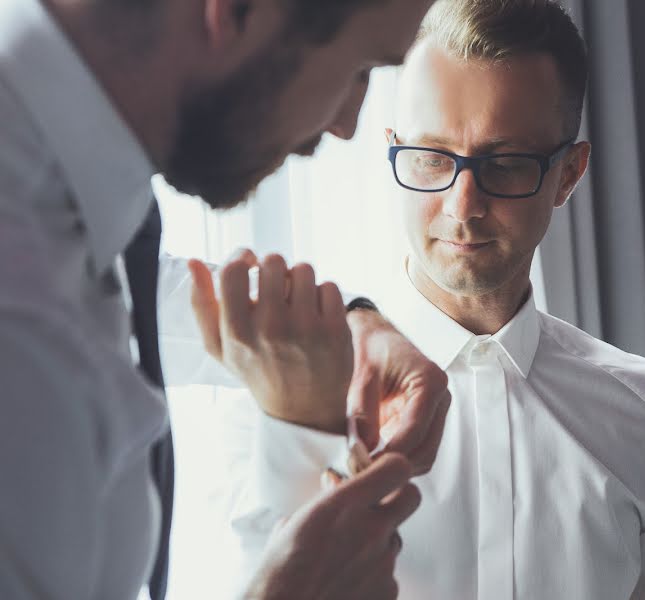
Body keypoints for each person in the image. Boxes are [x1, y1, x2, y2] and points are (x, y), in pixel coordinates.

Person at [187, 1, 645, 598]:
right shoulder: (273, 404)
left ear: (568, 174)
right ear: (393, 147)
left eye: (504, 164)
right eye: (431, 157)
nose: (462, 206)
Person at [0, 0, 450, 598]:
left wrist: (350, 324)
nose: (347, 123)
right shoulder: (21, 324)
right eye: (361, 68)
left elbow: (152, 298)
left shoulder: (62, 201)